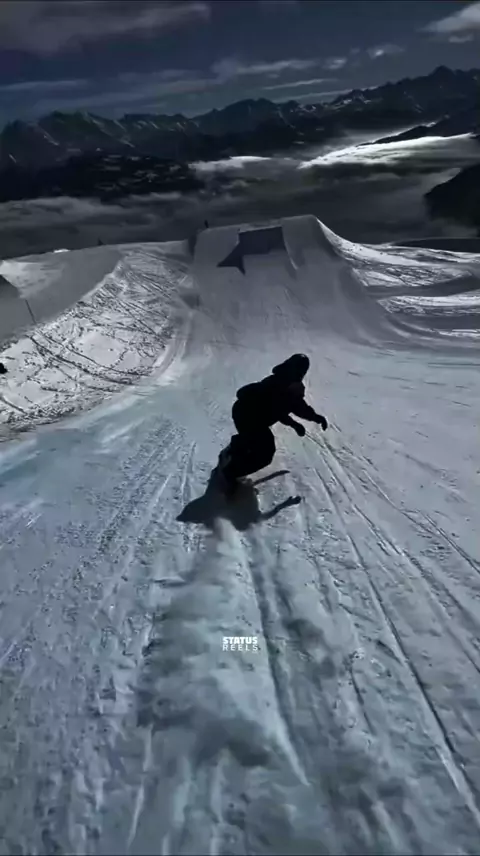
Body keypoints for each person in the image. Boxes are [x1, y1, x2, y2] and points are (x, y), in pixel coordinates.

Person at [218, 353, 327, 489]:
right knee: (265, 451)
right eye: (298, 369)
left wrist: (316, 417)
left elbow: (299, 407)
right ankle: (230, 472)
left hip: (257, 419)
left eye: (303, 370)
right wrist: (294, 424)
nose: (301, 373)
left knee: (255, 440)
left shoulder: (294, 386)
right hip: (246, 415)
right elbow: (278, 411)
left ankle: (236, 446)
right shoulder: (276, 383)